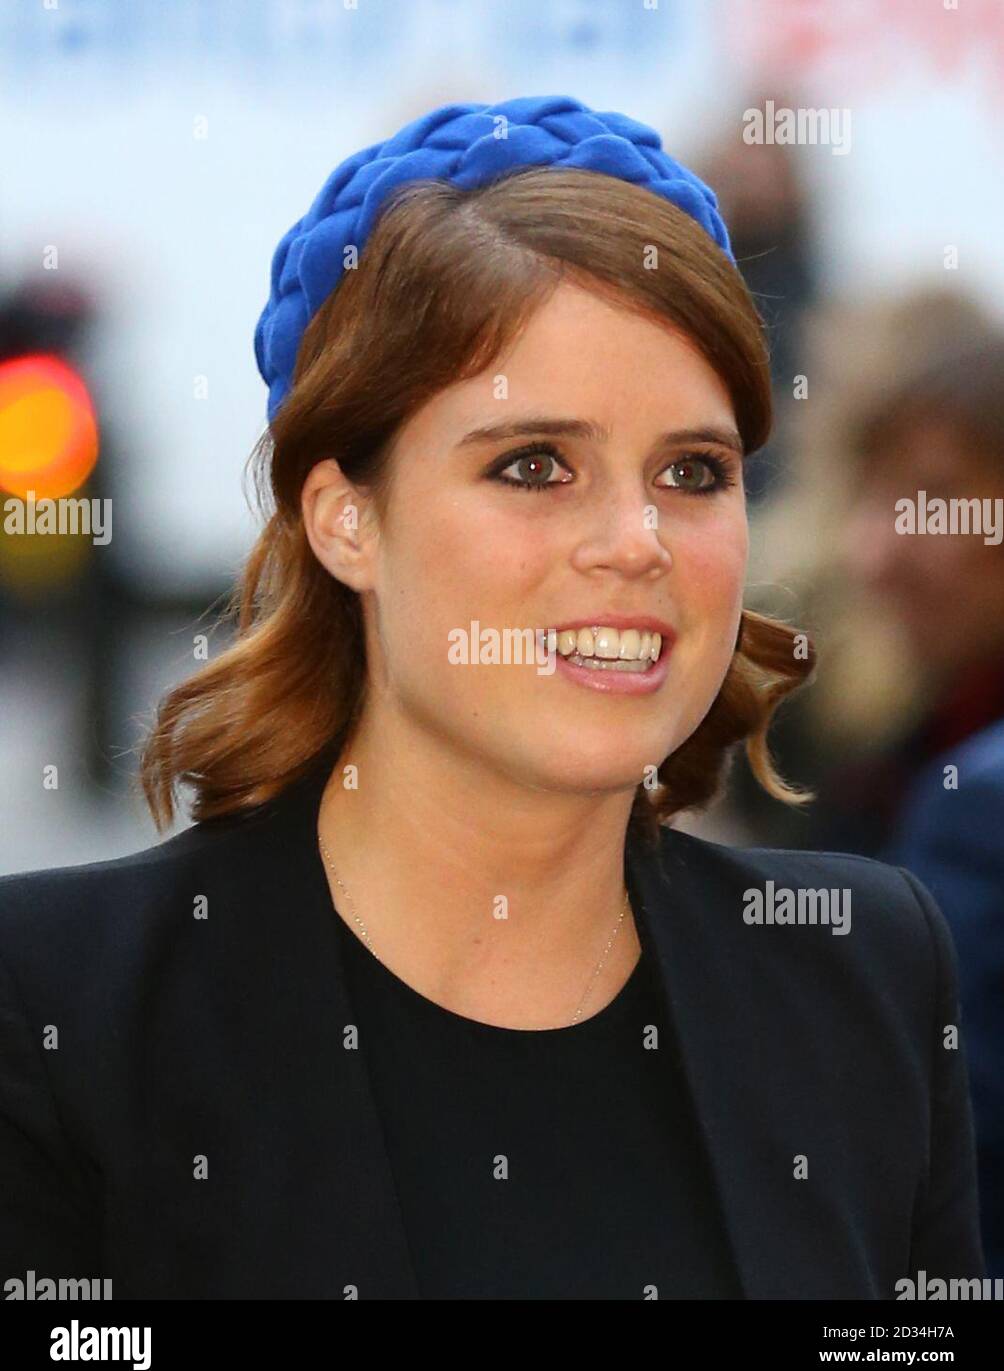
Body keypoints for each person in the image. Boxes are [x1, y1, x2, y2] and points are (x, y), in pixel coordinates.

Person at [0, 96, 985, 1300]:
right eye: (533, 465)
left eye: (691, 470)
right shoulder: (63, 1005)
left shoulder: (862, 973)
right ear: (345, 519)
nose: (635, 542)